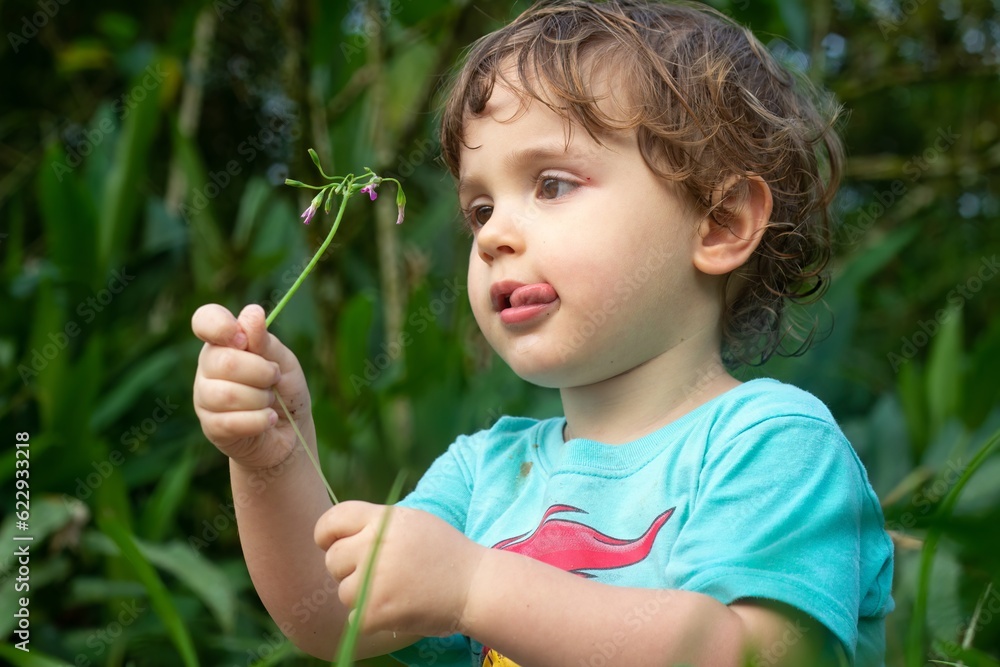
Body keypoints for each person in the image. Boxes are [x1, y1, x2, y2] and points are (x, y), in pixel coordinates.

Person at [191, 1, 894, 665]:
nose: (493, 233)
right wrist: (270, 456)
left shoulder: (770, 443)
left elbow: (752, 652)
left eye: (552, 184)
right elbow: (332, 614)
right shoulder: (484, 474)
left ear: (720, 223)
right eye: (480, 207)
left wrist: (476, 588)